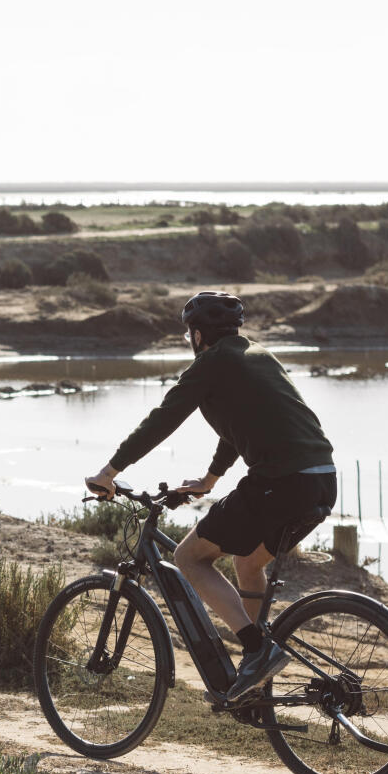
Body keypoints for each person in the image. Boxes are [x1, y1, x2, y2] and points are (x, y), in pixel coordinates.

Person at [84, 291, 337, 703]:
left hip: (282, 480)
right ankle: (254, 677)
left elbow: (162, 420)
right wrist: (210, 479)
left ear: (197, 335)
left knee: (188, 558)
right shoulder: (255, 355)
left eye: (189, 334)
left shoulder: (212, 363)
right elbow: (240, 424)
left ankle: (257, 651)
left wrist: (109, 472)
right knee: (247, 561)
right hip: (321, 479)